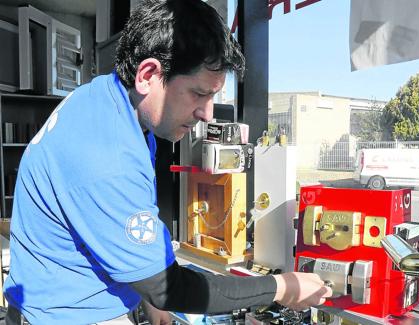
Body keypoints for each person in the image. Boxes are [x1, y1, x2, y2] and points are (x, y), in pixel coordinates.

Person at [4, 0, 332, 324]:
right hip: (68, 314)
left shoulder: (108, 101)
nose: (207, 113)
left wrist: (145, 289)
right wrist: (281, 286)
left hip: (57, 294)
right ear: (148, 74)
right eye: (199, 94)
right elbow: (167, 288)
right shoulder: (108, 156)